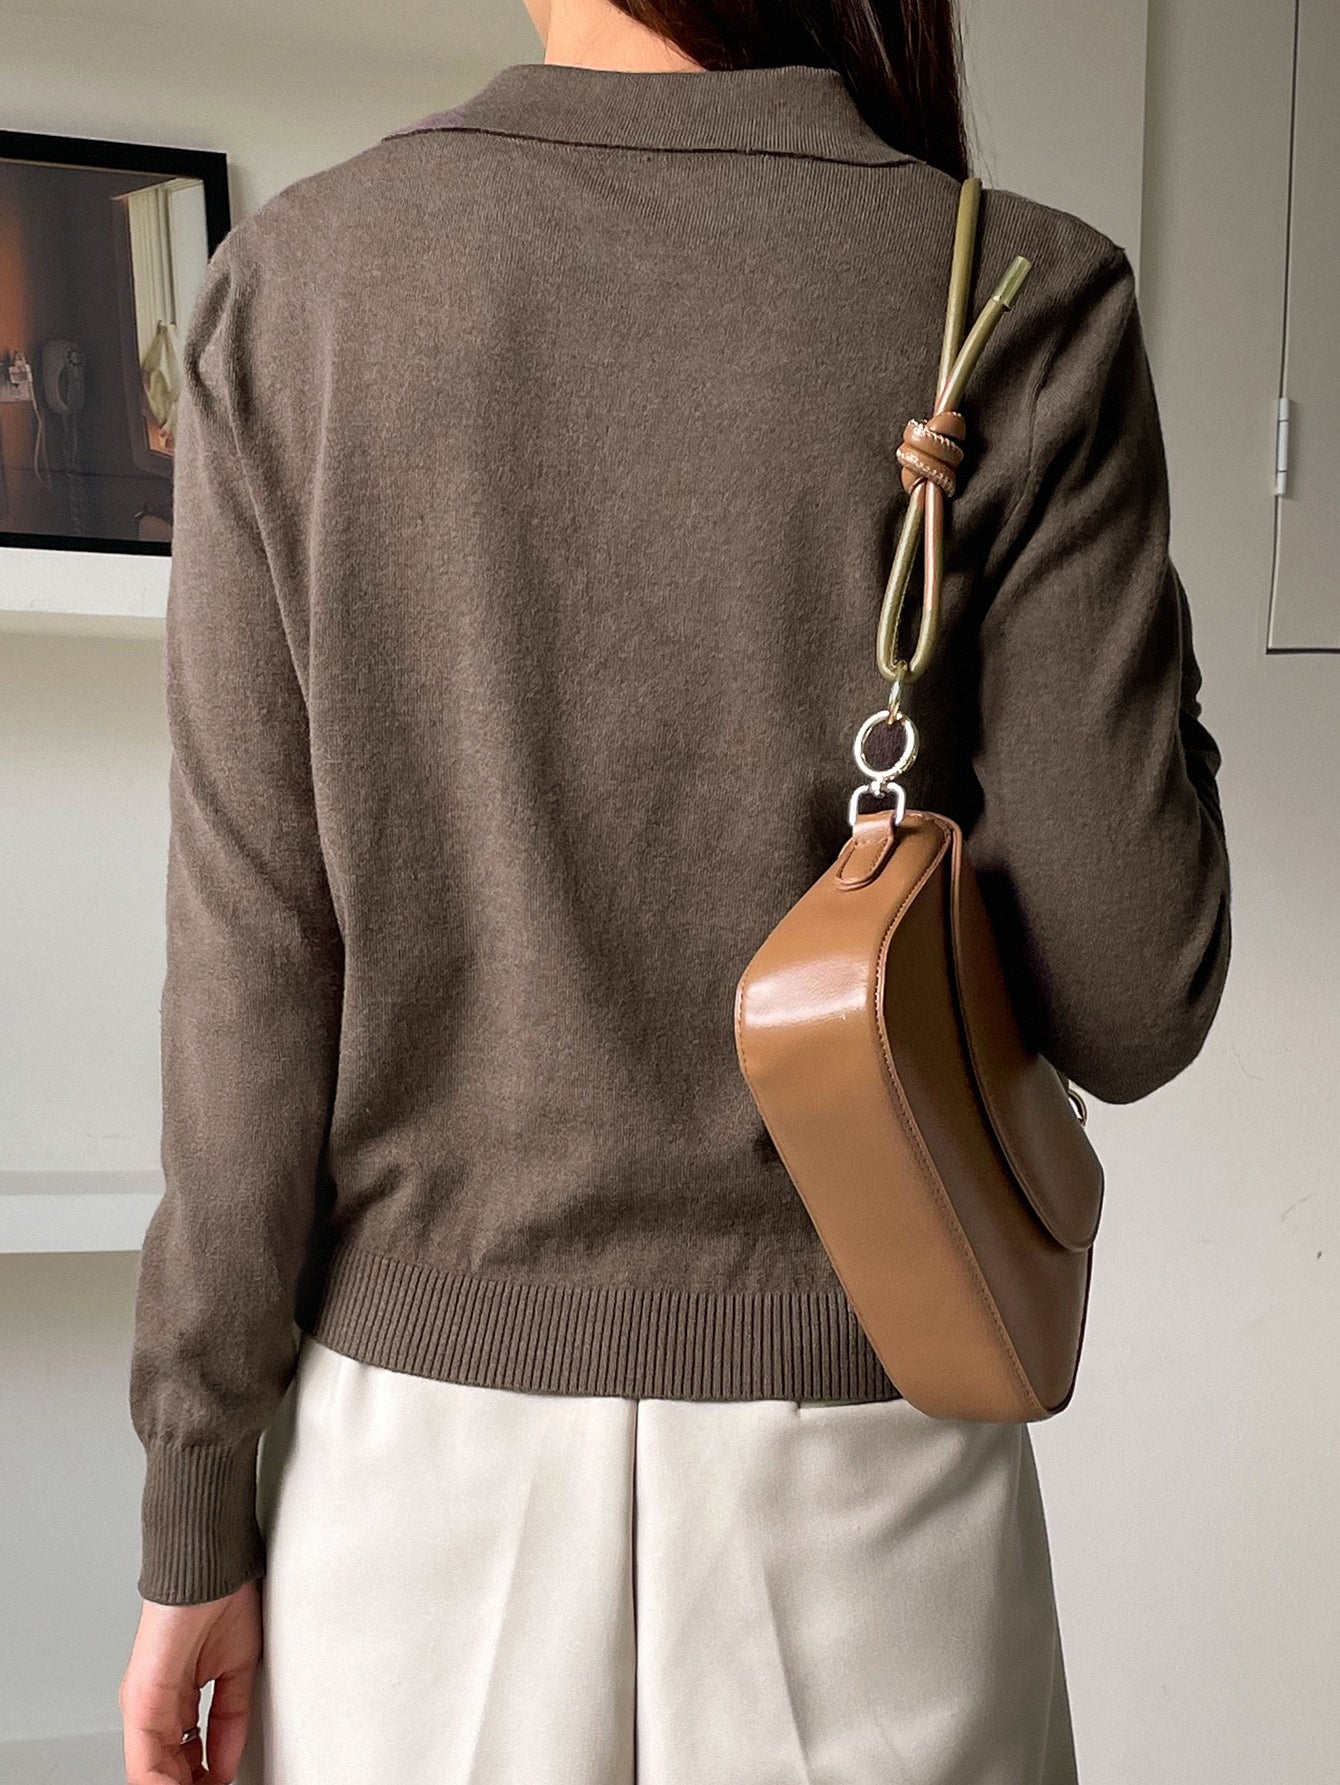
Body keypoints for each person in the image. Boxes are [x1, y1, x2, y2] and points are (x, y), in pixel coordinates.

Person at [118, 1, 1232, 1781]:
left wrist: (195, 1511)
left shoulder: (295, 289)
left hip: (409, 1504)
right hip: (866, 1483)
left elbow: (249, 972)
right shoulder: (1014, 297)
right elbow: (1135, 993)